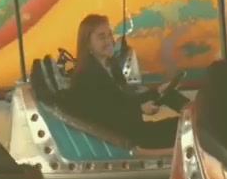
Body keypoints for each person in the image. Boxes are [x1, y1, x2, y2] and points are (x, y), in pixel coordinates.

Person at [64, 13, 182, 149]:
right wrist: (140, 109)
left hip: (132, 130)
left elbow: (124, 100)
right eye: (102, 37)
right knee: (185, 129)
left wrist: (156, 92)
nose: (109, 41)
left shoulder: (111, 66)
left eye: (109, 35)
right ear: (87, 43)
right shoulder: (86, 77)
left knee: (184, 124)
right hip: (122, 140)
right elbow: (104, 116)